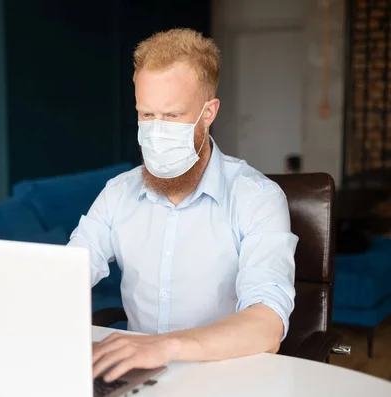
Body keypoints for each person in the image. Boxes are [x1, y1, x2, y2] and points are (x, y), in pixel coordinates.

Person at [67, 28, 298, 382]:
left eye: (172, 116)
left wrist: (165, 346)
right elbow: (68, 272)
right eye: (146, 115)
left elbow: (267, 324)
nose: (156, 131)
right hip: (136, 377)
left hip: (227, 377)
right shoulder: (118, 193)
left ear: (209, 113)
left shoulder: (257, 198)